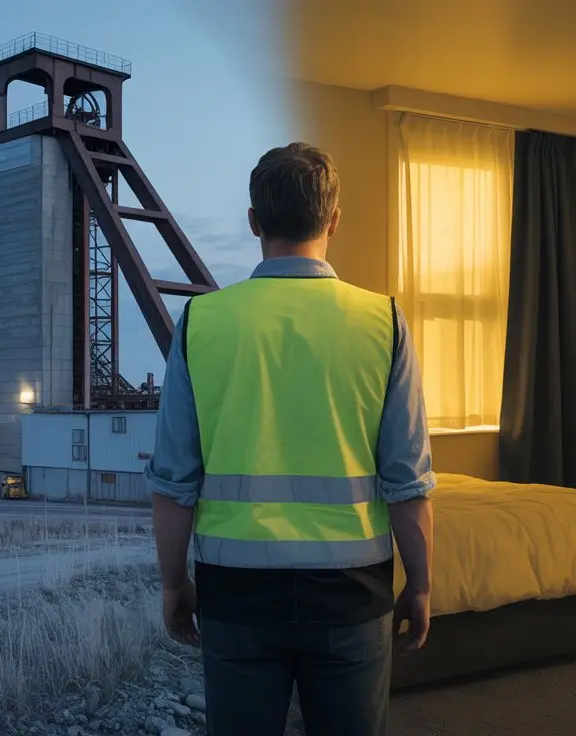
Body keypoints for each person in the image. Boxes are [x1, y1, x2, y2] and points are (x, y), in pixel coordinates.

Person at [144, 142, 436, 736]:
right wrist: (422, 584)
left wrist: (175, 584)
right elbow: (407, 482)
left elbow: (174, 483)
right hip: (353, 596)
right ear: (333, 219)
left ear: (254, 222)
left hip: (236, 596)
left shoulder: (202, 323)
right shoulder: (383, 320)